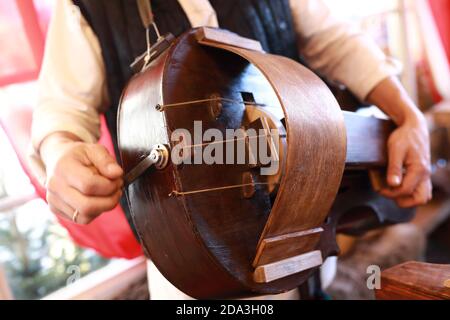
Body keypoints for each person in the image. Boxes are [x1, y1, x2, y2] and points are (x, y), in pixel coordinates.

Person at [29, 0, 431, 299]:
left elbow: (338, 42)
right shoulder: (82, 7)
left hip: (305, 234)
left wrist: (408, 116)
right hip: (191, 271)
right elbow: (61, 111)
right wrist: (60, 152)